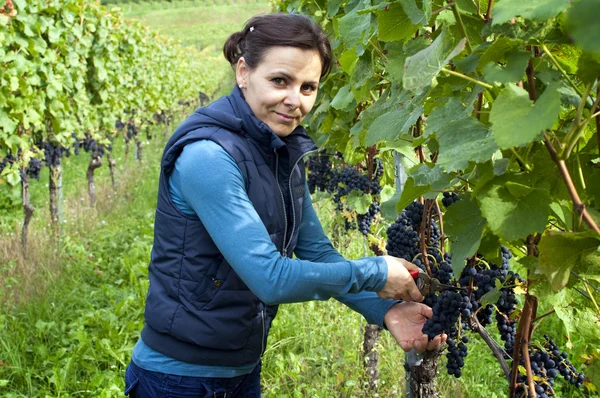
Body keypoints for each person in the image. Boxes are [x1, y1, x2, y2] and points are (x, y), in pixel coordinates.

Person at [124, 13, 446, 397]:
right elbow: (269, 277)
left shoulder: (279, 152)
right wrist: (376, 273)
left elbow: (318, 252)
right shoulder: (207, 158)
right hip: (178, 381)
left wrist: (385, 310)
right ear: (243, 72)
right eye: (280, 81)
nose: (295, 100)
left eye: (308, 87)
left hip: (241, 371)